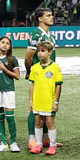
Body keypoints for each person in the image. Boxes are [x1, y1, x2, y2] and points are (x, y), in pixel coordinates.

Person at [23, 8, 57, 151]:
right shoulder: (36, 34)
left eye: (51, 15)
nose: (52, 17)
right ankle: (32, 139)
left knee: (47, 107)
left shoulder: (51, 35)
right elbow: (28, 57)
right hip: (39, 76)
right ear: (40, 19)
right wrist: (31, 72)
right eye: (48, 16)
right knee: (35, 108)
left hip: (50, 75)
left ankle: (44, 139)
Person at [28, 40, 62, 155]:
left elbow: (58, 86)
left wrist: (56, 101)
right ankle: (38, 144)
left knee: (50, 122)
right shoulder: (35, 68)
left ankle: (52, 145)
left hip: (49, 101)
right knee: (38, 122)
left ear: (50, 52)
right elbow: (32, 85)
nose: (40, 54)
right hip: (38, 100)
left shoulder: (55, 67)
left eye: (43, 51)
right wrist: (31, 100)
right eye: (39, 51)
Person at [0, 34, 20, 152]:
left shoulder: (12, 59)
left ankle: (13, 142)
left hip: (9, 90)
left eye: (7, 43)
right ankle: (3, 142)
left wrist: (4, 69)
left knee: (10, 118)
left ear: (10, 46)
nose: (5, 45)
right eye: (3, 42)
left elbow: (17, 76)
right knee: (0, 118)